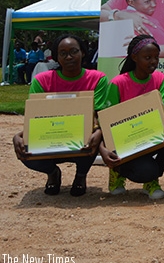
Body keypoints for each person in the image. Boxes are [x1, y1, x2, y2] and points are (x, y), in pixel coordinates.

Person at [12, 34, 111, 196]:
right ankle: (52, 173)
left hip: (81, 135)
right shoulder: (41, 80)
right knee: (23, 147)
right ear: (56, 56)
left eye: (74, 51)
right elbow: (36, 118)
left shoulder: (97, 79)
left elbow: (99, 113)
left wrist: (99, 132)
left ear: (83, 53)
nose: (69, 57)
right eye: (63, 53)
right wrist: (20, 135)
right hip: (52, 134)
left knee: (95, 134)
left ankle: (80, 176)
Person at [101, 35, 164, 199]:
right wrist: (107, 148)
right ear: (134, 57)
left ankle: (151, 180)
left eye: (156, 57)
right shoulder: (118, 83)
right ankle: (118, 171)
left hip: (151, 135)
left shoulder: (159, 79)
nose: (153, 62)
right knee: (146, 170)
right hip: (126, 141)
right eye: (148, 57)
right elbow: (107, 120)